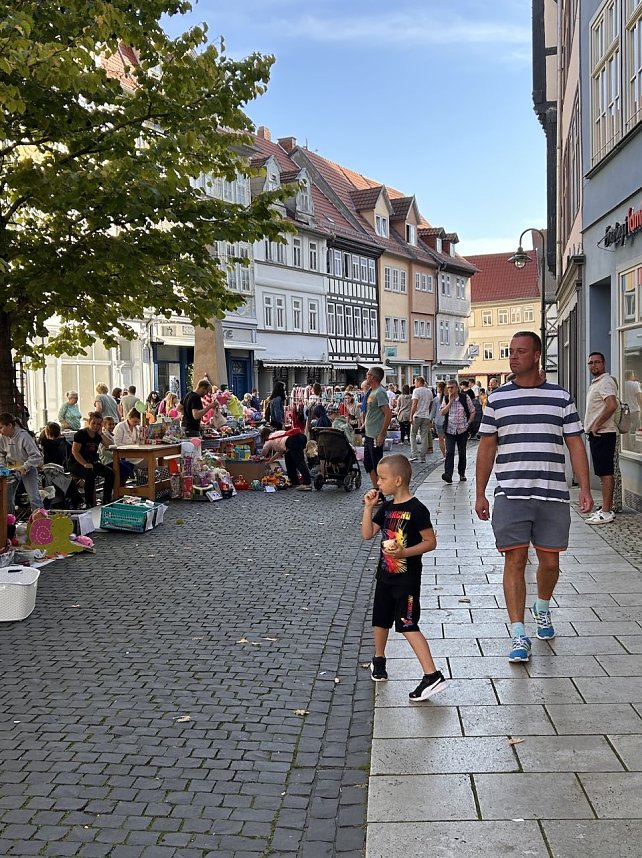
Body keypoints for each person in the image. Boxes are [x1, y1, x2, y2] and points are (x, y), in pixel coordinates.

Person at [475, 331, 593, 662]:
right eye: (511, 352)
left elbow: (575, 444)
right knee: (514, 559)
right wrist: (480, 492)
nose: (513, 357)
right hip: (510, 493)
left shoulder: (560, 397)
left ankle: (542, 606)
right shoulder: (497, 399)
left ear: (537, 355)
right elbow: (487, 447)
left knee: (550, 563)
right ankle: (518, 634)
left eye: (521, 352)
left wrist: (584, 487)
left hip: (552, 494)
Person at [361, 454, 448, 701]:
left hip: (406, 579)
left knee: (407, 623)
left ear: (398, 480)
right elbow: (367, 534)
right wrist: (369, 508)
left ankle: (432, 675)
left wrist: (404, 552)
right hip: (385, 575)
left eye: (383, 478)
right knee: (380, 619)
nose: (378, 482)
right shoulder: (387, 508)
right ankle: (379, 659)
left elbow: (431, 542)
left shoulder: (417, 509)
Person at [584, 351, 618, 525]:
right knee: (602, 472)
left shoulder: (605, 382)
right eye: (590, 363)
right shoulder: (597, 382)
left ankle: (606, 511)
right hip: (598, 433)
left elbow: (612, 405)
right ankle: (605, 508)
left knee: (605, 473)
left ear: (603, 364)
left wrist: (597, 424)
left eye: (597, 362)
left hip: (603, 433)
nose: (593, 365)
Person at [68, 412, 115, 507]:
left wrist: (101, 433)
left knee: (110, 473)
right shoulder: (81, 434)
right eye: (93, 423)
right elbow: (75, 452)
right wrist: (84, 463)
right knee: (90, 474)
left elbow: (110, 445)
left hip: (92, 462)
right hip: (76, 462)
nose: (95, 426)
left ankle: (106, 500)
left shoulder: (98, 435)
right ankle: (89, 503)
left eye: (98, 424)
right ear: (89, 422)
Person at [0, 413, 44, 514]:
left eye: (1, 427)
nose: (0, 431)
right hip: (11, 469)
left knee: (33, 497)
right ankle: (9, 524)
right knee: (6, 498)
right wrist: (3, 466)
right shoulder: (2, 437)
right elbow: (1, 453)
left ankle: (41, 521)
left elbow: (36, 456)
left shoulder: (24, 436)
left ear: (10, 425)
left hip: (27, 468)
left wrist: (25, 467)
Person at [362, 367, 393, 499]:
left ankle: (381, 494)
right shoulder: (371, 392)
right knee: (368, 464)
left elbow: (388, 414)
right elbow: (371, 411)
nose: (366, 376)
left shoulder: (380, 392)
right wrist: (364, 424)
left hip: (375, 435)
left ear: (373, 377)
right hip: (369, 434)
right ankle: (376, 490)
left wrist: (381, 434)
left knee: (377, 465)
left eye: (368, 374)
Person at [440, 380, 475, 482]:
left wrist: (467, 424)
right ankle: (448, 474)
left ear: (457, 388)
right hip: (450, 429)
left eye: (452, 387)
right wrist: (450, 402)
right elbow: (442, 412)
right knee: (449, 451)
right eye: (448, 388)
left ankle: (462, 473)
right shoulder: (446, 399)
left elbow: (472, 411)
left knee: (462, 452)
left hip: (462, 430)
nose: (450, 389)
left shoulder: (464, 397)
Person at [260, 425, 312, 491]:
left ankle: (307, 483)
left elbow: (264, 452)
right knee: (288, 458)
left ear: (264, 436)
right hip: (300, 437)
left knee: (299, 462)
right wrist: (270, 461)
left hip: (293, 441)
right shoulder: (276, 434)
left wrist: (259, 457)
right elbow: (280, 452)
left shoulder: (269, 440)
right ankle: (294, 481)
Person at [409, 377, 433, 462]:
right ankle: (423, 457)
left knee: (412, 435)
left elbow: (414, 404)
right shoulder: (429, 391)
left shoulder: (416, 391)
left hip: (417, 415)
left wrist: (411, 416)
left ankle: (414, 454)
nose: (414, 384)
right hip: (426, 416)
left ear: (419, 382)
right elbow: (431, 404)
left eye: (415, 382)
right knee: (424, 437)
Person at [429, 381, 447, 458]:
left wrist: (430, 420)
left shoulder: (436, 399)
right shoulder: (448, 397)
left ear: (439, 388)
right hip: (447, 421)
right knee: (448, 438)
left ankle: (444, 455)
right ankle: (448, 452)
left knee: (441, 439)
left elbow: (433, 412)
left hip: (438, 421)